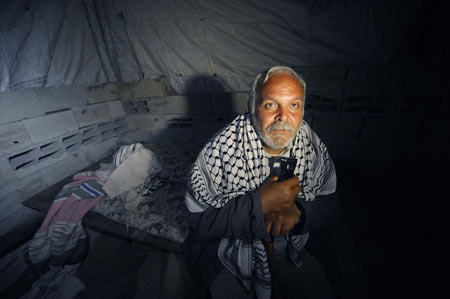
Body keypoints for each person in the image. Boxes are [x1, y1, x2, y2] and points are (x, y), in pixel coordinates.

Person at [185, 66, 341, 299]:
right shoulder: (220, 151)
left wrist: (299, 214)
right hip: (231, 255)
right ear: (252, 107)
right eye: (270, 104)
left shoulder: (310, 145)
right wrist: (258, 203)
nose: (283, 117)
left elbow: (331, 206)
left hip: (292, 252)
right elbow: (198, 221)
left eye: (294, 105)